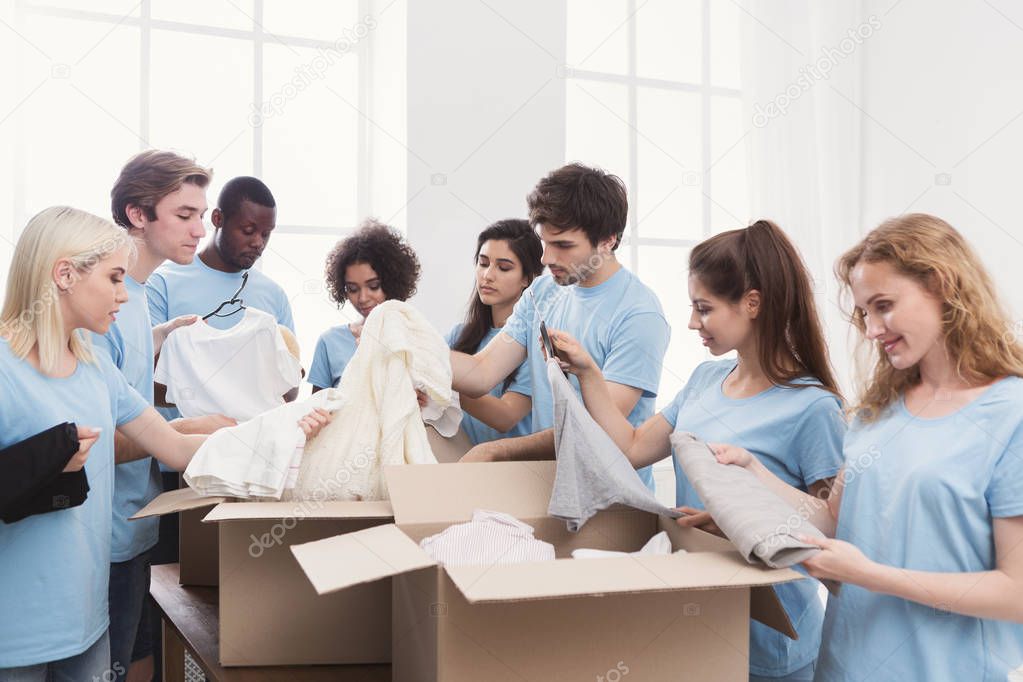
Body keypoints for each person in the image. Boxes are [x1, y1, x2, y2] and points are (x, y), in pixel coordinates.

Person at [0, 206, 332, 681]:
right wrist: (39, 462)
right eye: (114, 278)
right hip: (13, 636)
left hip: (87, 627)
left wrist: (284, 431)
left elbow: (176, 449)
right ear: (65, 274)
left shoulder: (98, 371)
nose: (124, 295)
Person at [711, 214, 1023, 680]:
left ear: (941, 286)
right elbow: (839, 520)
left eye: (884, 306)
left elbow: (1015, 593)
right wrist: (756, 474)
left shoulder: (1010, 415)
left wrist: (869, 575)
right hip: (844, 666)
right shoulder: (878, 411)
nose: (872, 329)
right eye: (864, 313)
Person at [550, 219, 845, 681]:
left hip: (774, 639)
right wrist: (588, 373)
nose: (692, 323)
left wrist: (738, 521)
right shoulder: (705, 381)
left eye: (704, 309)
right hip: (701, 619)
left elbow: (832, 531)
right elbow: (629, 447)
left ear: (752, 304)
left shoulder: (813, 408)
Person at [450, 163, 670, 490]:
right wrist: (409, 348)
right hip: (550, 487)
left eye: (563, 246)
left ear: (608, 240)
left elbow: (590, 428)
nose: (545, 258)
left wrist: (498, 451)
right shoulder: (542, 292)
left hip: (614, 502)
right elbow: (481, 372)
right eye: (544, 242)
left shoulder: (639, 314)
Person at [103, 150, 235, 682]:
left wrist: (161, 339)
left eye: (201, 215)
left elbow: (123, 380)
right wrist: (181, 432)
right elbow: (97, 438)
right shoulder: (107, 301)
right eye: (184, 216)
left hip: (138, 522)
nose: (199, 230)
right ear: (139, 215)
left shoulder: (133, 299)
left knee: (140, 658)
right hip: (103, 535)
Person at [446, 219, 542, 444]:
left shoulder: (533, 344)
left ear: (527, 278)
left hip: (514, 472)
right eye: (483, 263)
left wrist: (442, 384)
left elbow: (505, 416)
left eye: (503, 267)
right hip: (465, 467)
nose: (487, 275)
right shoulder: (458, 336)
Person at [308, 219, 421, 392]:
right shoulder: (330, 342)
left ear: (393, 282)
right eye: (352, 289)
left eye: (373, 286)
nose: (362, 298)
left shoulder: (414, 339)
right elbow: (316, 411)